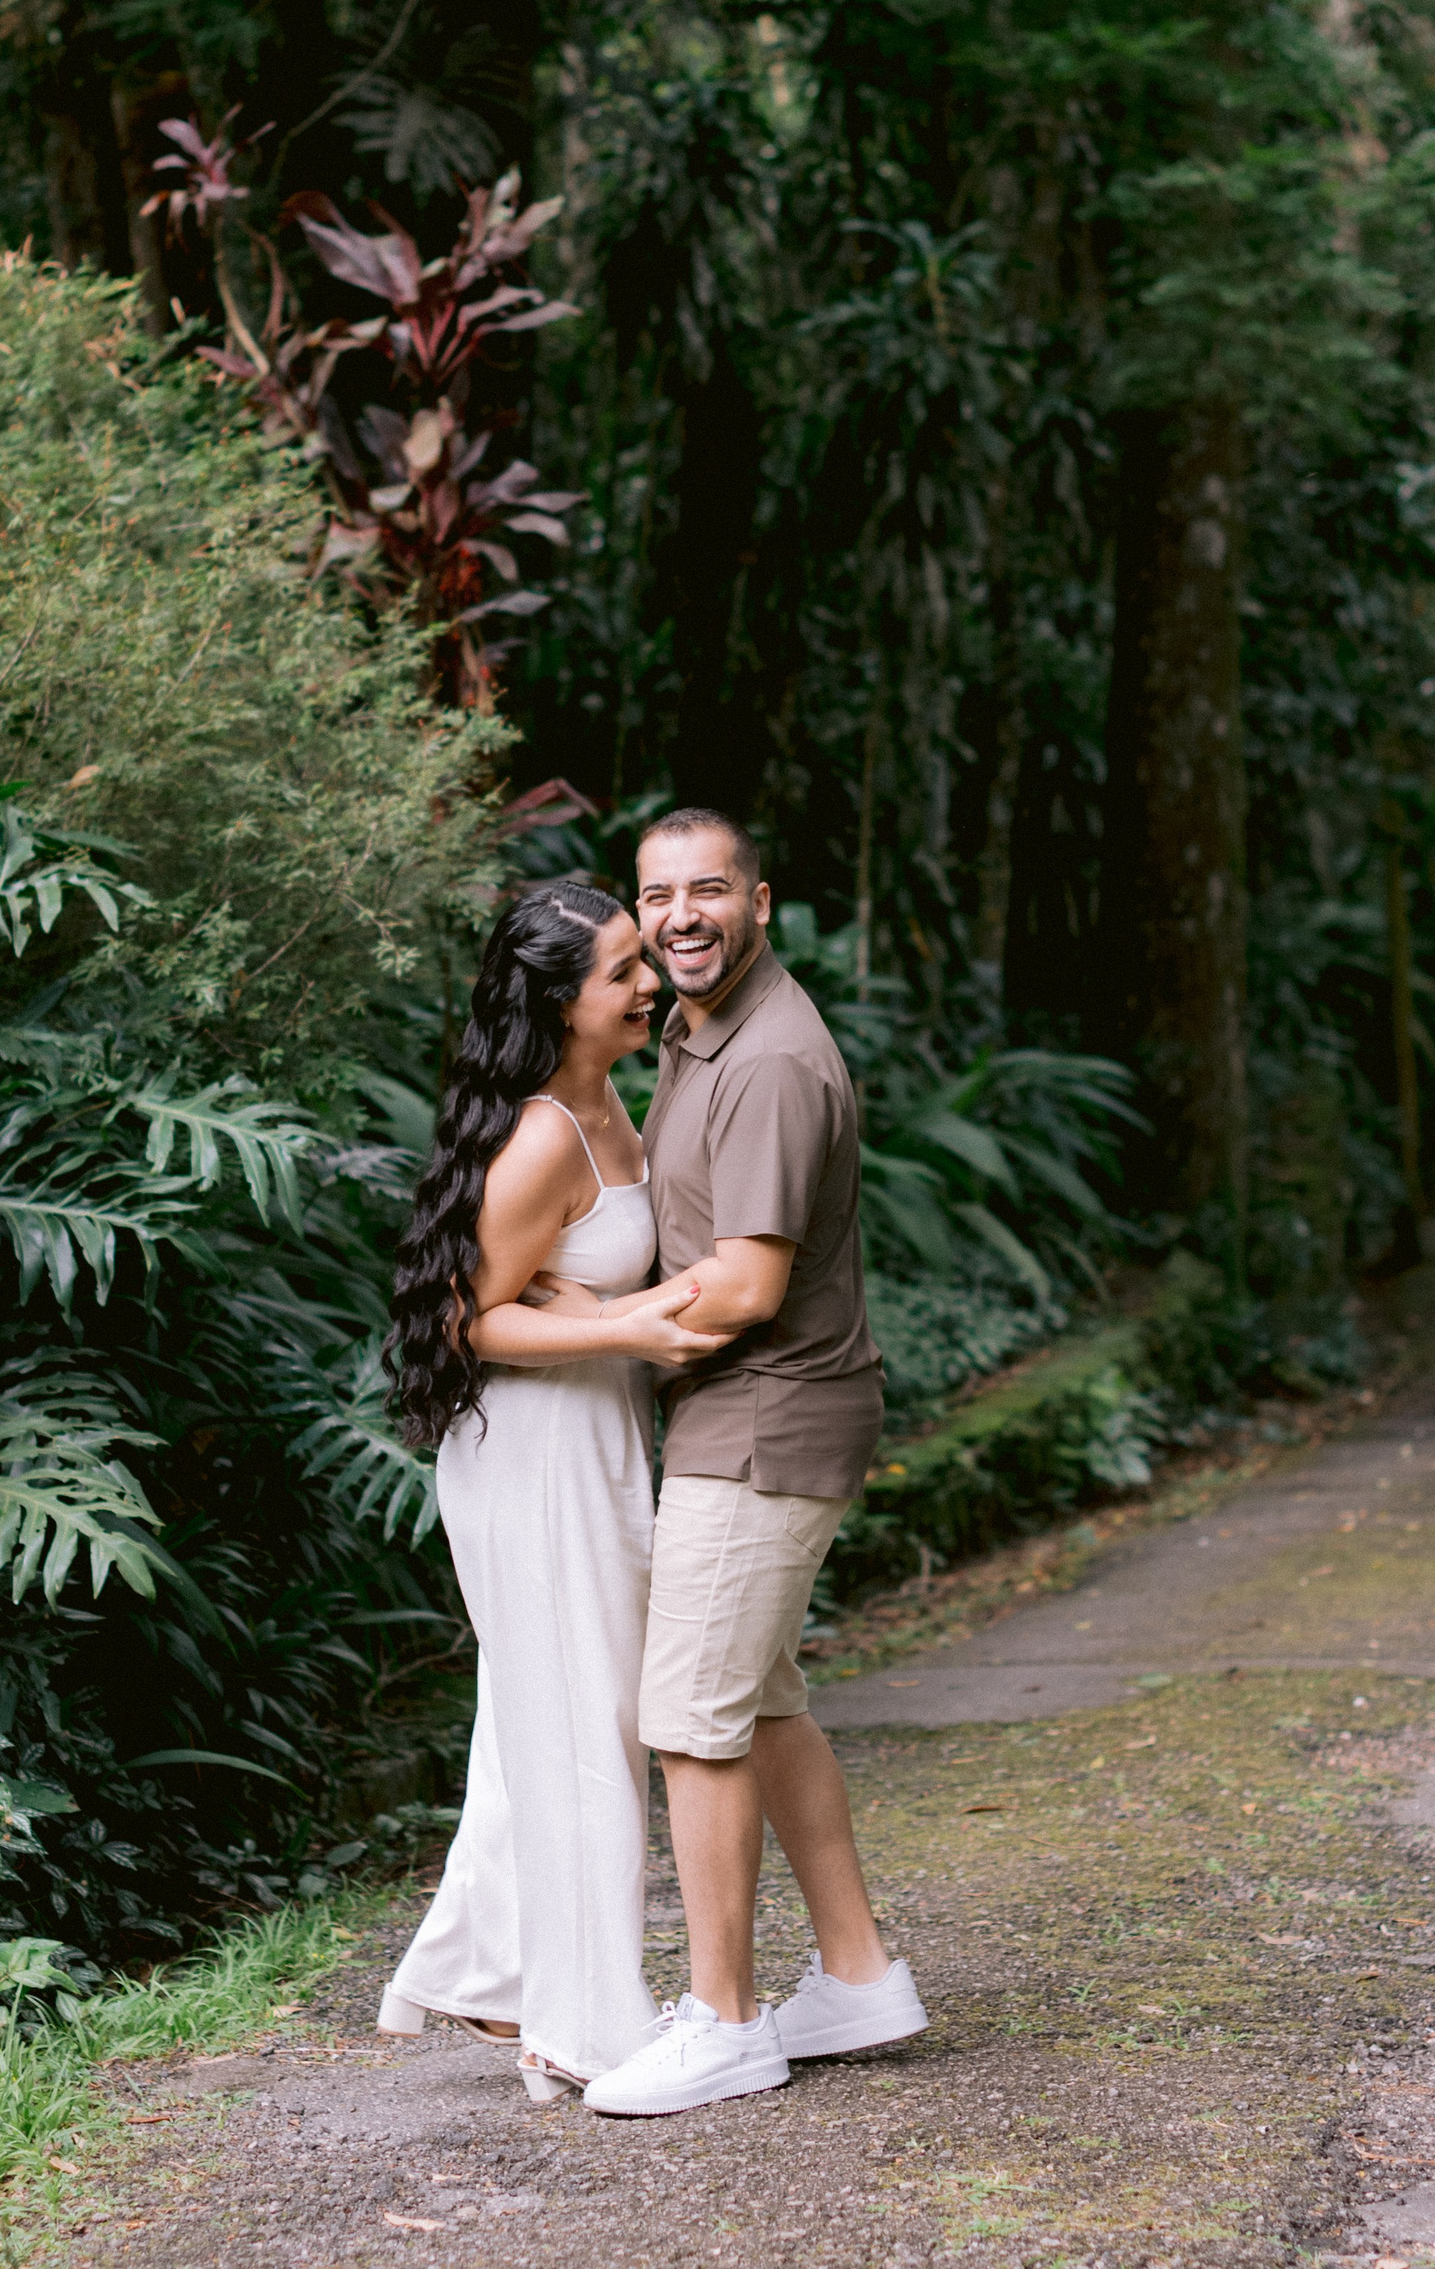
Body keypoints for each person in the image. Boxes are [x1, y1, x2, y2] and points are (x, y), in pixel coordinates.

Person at [573, 807, 929, 2117]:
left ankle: (722, 2020)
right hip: (745, 1415)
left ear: (759, 901)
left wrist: (581, 1326)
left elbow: (744, 1284)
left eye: (709, 889)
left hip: (766, 1418)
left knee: (692, 1717)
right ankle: (858, 1975)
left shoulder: (771, 1056)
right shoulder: (693, 1028)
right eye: (658, 894)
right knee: (763, 1700)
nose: (682, 915)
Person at [375, 880, 729, 2102]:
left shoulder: (611, 1096)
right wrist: (623, 1324)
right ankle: (583, 2028)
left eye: (641, 959)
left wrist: (603, 1310)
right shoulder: (540, 1136)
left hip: (592, 1437)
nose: (650, 981)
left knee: (544, 1715)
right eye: (622, 969)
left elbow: (564, 1274)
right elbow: (465, 1321)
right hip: (532, 1455)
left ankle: (494, 1973)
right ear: (556, 1002)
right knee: (586, 1726)